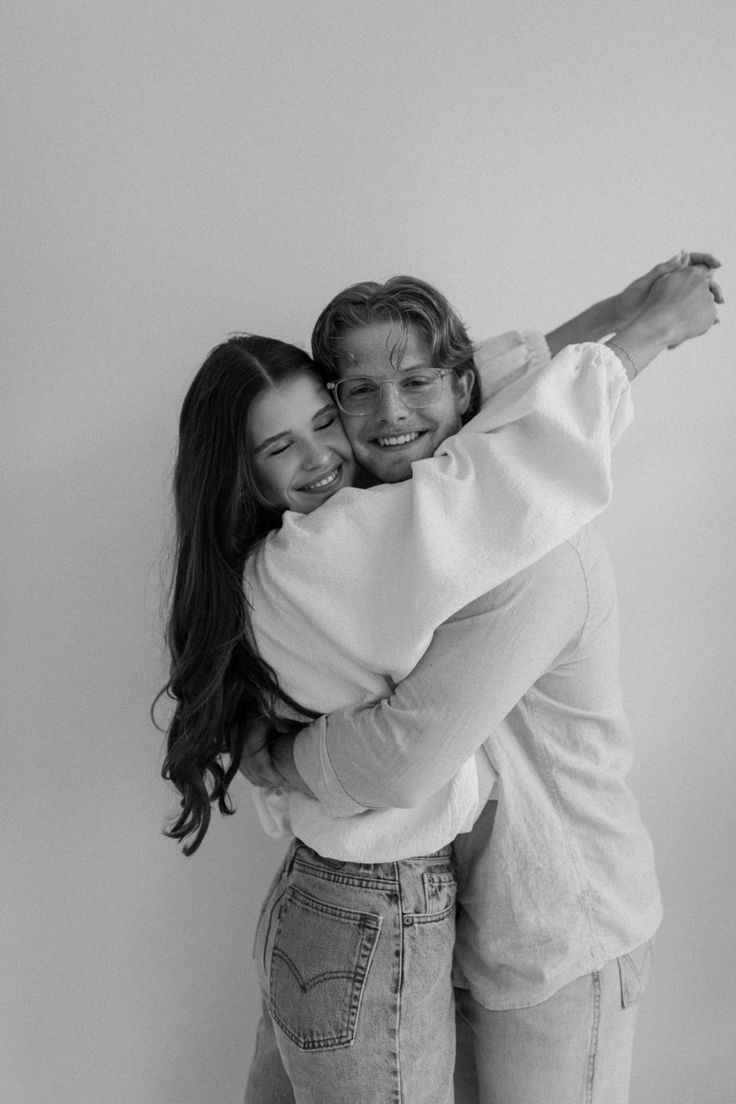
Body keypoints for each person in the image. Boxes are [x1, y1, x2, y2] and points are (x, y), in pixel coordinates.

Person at [160, 256, 720, 1103]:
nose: (388, 416)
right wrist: (630, 328)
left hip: (556, 932)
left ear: (465, 394)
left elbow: (399, 757)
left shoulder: (532, 550)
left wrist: (284, 754)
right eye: (355, 394)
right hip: (441, 915)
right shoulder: (365, 537)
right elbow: (480, 432)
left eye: (419, 382)